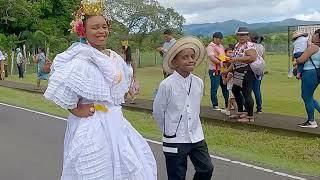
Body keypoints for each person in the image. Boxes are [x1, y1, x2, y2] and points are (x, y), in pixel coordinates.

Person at [44, 1, 157, 179]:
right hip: (91, 123)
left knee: (126, 164)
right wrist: (75, 109)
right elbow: (65, 90)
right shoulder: (80, 58)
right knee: (93, 168)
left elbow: (119, 86)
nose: (101, 31)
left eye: (104, 26)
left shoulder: (114, 57)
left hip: (115, 120)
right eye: (95, 27)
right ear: (83, 31)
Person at [153, 36, 214, 180]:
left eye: (192, 56)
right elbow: (158, 112)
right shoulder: (167, 85)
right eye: (185, 57)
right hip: (174, 138)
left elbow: (195, 107)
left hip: (196, 136)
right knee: (176, 175)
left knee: (206, 168)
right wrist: (169, 131)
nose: (191, 60)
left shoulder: (198, 83)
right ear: (174, 62)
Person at [226, 27, 257, 122]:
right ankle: (240, 111)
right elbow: (233, 61)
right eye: (240, 35)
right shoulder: (237, 46)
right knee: (235, 90)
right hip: (237, 71)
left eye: (244, 35)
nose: (242, 37)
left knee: (246, 93)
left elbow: (252, 57)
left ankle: (250, 116)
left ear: (248, 36)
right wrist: (227, 70)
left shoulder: (249, 45)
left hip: (247, 71)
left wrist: (236, 59)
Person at [296, 32, 320, 128]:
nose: (312, 36)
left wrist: (297, 60)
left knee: (306, 96)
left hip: (309, 73)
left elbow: (301, 60)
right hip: (316, 72)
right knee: (308, 96)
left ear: (318, 36)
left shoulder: (313, 47)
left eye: (314, 34)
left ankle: (311, 121)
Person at [207, 32, 229, 110]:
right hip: (214, 70)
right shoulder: (210, 47)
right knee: (214, 88)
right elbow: (212, 58)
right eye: (218, 39)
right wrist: (220, 62)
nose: (219, 40)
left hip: (222, 70)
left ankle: (228, 105)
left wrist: (225, 61)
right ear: (214, 38)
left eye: (220, 39)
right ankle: (215, 105)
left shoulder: (221, 46)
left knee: (225, 87)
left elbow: (222, 56)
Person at [250, 32, 266, 113]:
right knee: (257, 90)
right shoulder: (261, 47)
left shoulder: (250, 46)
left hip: (250, 70)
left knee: (247, 91)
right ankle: (259, 108)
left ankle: (248, 108)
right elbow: (263, 59)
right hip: (259, 70)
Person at [221, 48, 238, 116]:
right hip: (233, 87)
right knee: (230, 99)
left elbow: (225, 82)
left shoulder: (230, 73)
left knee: (233, 101)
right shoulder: (234, 71)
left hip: (231, 88)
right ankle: (227, 110)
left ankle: (237, 113)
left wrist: (222, 76)